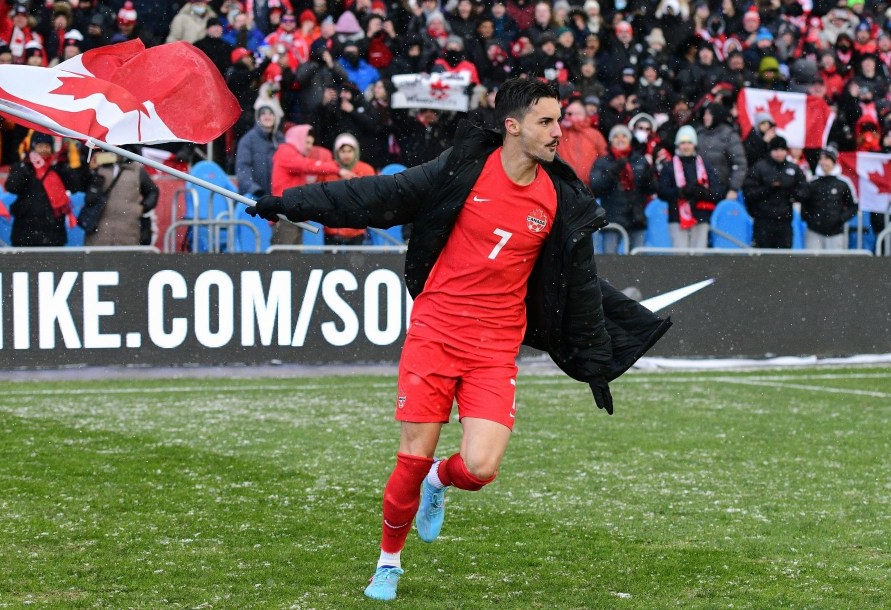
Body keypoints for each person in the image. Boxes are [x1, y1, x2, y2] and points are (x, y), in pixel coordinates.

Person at [244, 77, 671, 601]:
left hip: (495, 349)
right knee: (412, 456)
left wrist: (597, 362)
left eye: (559, 120)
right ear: (512, 126)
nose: (559, 131)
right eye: (546, 121)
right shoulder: (462, 167)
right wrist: (291, 202)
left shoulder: (561, 198)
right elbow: (379, 194)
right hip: (436, 332)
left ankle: (437, 487)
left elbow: (580, 287)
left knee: (481, 468)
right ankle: (388, 562)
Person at [269, 124, 354, 245]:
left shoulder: (292, 154)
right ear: (297, 138)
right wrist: (337, 170)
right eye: (307, 142)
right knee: (284, 257)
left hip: (292, 213)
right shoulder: (286, 152)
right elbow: (308, 165)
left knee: (292, 258)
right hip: (285, 215)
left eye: (311, 143)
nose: (309, 147)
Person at [5, 132, 86, 247]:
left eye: (47, 146)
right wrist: (23, 168)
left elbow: (75, 186)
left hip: (52, 231)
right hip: (25, 230)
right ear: (33, 147)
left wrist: (64, 166)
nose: (44, 149)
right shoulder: (24, 166)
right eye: (40, 146)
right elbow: (11, 187)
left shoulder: (58, 167)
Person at [590, 124, 654, 252]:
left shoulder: (639, 160)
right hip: (612, 218)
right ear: (611, 140)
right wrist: (613, 172)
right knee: (611, 260)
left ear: (629, 139)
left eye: (624, 136)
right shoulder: (603, 162)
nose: (620, 139)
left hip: (636, 218)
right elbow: (596, 188)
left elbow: (651, 189)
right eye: (616, 136)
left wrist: (649, 177)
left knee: (637, 264)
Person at [657, 125, 722, 249]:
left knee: (698, 257)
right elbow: (662, 192)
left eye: (689, 143)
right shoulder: (669, 167)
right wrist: (681, 192)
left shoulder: (705, 165)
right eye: (683, 143)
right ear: (678, 145)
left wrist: (702, 193)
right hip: (677, 218)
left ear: (694, 144)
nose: (686, 146)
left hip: (700, 216)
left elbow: (717, 191)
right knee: (681, 258)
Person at [83, 148, 159, 246]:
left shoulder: (136, 170)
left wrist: (141, 208)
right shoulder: (98, 166)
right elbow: (82, 188)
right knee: (99, 259)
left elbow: (152, 191)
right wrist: (91, 171)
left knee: (124, 259)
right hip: (98, 232)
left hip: (128, 232)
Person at [743, 135, 808, 249]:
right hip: (763, 221)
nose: (779, 153)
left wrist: (790, 192)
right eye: (776, 150)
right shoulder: (759, 168)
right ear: (770, 151)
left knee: (783, 259)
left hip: (784, 221)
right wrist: (768, 189)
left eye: (782, 150)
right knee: (763, 258)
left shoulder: (793, 169)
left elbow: (804, 192)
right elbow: (749, 193)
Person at [323, 133, 376, 246]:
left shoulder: (366, 170)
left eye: (349, 151)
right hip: (332, 230)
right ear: (337, 152)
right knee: (330, 263)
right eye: (343, 151)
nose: (346, 155)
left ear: (355, 151)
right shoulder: (328, 169)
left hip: (355, 230)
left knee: (355, 263)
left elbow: (372, 197)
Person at [803, 146, 857, 251]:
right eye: (821, 159)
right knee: (812, 263)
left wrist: (840, 219)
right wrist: (810, 220)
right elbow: (804, 204)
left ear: (833, 161)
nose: (823, 162)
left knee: (834, 264)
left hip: (836, 233)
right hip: (814, 232)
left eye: (827, 159)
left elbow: (853, 206)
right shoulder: (812, 182)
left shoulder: (843, 183)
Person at [695, 102, 746, 202]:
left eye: (709, 114)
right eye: (705, 114)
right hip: (699, 190)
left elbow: (740, 164)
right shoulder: (699, 134)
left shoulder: (729, 135)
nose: (705, 117)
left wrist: (733, 189)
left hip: (722, 190)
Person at [235, 101, 284, 197]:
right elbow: (243, 168)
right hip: (254, 197)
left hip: (277, 196)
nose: (267, 116)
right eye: (263, 113)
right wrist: (254, 189)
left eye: (270, 113)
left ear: (275, 117)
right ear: (258, 118)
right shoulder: (248, 140)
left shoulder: (281, 139)